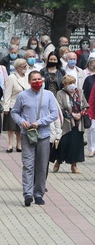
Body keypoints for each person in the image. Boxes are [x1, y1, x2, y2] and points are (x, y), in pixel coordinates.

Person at [10, 70, 58, 206]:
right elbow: (15, 112)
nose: (37, 82)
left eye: (39, 79)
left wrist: (40, 122)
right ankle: (27, 194)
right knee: (28, 165)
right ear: (29, 81)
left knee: (42, 166)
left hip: (43, 135)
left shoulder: (48, 95)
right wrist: (21, 122)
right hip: (27, 135)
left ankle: (39, 193)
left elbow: (54, 114)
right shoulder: (22, 96)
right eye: (34, 80)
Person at [53, 75, 88, 174]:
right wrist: (71, 114)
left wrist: (80, 114)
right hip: (66, 124)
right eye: (69, 83)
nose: (72, 85)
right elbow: (59, 108)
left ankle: (74, 165)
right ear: (64, 85)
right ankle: (58, 161)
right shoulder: (60, 93)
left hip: (78, 123)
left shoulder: (79, 92)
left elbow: (85, 106)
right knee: (63, 144)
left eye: (73, 82)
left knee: (76, 145)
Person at [3, 58, 29, 152]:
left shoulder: (27, 77)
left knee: (20, 127)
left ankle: (19, 145)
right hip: (13, 105)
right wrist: (6, 107)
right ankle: (10, 145)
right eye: (24, 66)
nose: (26, 68)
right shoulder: (12, 77)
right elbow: (7, 93)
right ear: (18, 68)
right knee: (11, 127)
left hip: (25, 106)